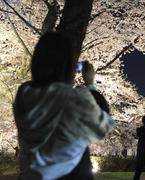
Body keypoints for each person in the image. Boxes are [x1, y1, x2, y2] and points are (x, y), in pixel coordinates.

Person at [13, 32, 114, 180]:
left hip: (31, 174)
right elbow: (103, 123)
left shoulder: (24, 94)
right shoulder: (73, 98)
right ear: (69, 66)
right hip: (70, 175)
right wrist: (90, 85)